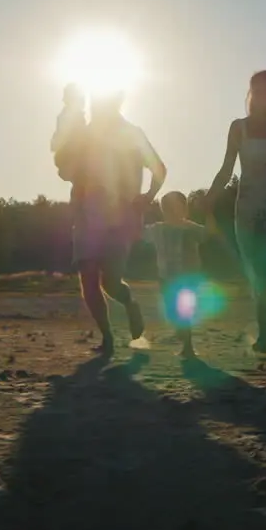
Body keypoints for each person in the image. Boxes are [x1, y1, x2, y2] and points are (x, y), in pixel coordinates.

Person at [204, 70, 266, 354]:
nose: (259, 95)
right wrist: (209, 198)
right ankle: (264, 330)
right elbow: (226, 169)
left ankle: (264, 330)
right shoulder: (239, 128)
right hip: (249, 208)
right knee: (259, 271)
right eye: (254, 89)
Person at [69, 88, 166, 354]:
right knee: (88, 277)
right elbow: (72, 173)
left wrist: (148, 196)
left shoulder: (133, 134)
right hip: (86, 216)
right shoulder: (85, 135)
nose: (95, 109)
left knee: (110, 282)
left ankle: (130, 304)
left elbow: (159, 168)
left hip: (121, 217)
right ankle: (107, 337)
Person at [142, 191, 209, 360]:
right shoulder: (158, 228)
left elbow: (207, 235)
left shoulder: (190, 227)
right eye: (165, 207)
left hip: (188, 276)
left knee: (184, 310)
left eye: (173, 207)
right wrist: (139, 211)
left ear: (184, 209)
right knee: (171, 308)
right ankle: (180, 333)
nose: (169, 211)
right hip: (165, 276)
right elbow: (140, 233)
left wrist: (209, 212)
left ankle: (188, 347)